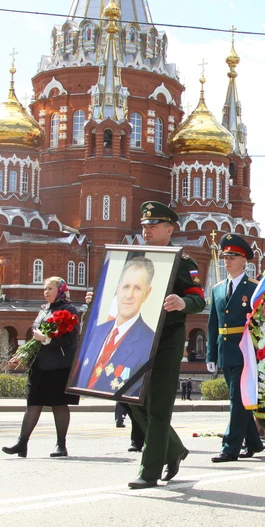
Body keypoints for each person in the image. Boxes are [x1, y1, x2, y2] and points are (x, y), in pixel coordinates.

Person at [88, 202, 206, 488]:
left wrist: (182, 302)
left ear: (169, 229)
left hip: (165, 342)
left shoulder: (182, 261)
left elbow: (199, 299)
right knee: (126, 396)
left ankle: (149, 471)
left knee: (159, 405)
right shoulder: (133, 258)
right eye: (144, 226)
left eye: (153, 226)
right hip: (134, 339)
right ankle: (174, 449)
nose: (147, 230)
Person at [2, 277, 80, 458]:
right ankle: (22, 443)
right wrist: (22, 354)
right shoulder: (44, 310)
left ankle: (61, 445)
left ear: (60, 290)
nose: (46, 292)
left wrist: (46, 339)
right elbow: (35, 338)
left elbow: (69, 339)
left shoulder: (69, 310)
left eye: (50, 288)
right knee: (33, 403)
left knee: (59, 404)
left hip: (59, 365)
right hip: (39, 365)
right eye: (44, 289)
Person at [207, 233, 262, 463]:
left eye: (232, 256)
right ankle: (254, 442)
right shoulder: (218, 289)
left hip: (245, 352)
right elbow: (212, 324)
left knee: (237, 399)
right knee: (239, 398)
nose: (227, 260)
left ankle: (230, 447)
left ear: (244, 261)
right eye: (225, 256)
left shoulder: (254, 289)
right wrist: (211, 353)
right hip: (225, 350)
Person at [74, 258, 157, 396]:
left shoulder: (149, 342)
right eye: (125, 287)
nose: (129, 295)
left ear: (146, 294)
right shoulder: (97, 331)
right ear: (118, 289)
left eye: (137, 288)